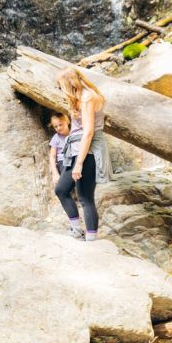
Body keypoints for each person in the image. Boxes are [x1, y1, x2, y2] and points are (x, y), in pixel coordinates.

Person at [54, 66, 108, 241]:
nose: (61, 89)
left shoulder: (87, 98)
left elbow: (89, 132)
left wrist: (79, 163)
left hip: (88, 151)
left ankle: (91, 240)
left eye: (62, 85)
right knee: (62, 189)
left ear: (70, 83)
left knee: (85, 197)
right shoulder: (81, 97)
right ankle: (77, 229)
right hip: (76, 149)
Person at [47, 112, 71, 181]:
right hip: (63, 161)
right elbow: (52, 156)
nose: (58, 128)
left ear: (66, 121)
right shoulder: (56, 138)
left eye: (60, 125)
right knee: (67, 175)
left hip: (74, 159)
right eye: (56, 126)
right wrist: (55, 173)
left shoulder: (73, 134)